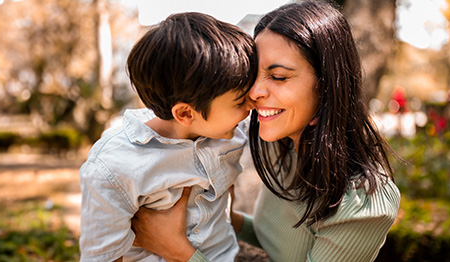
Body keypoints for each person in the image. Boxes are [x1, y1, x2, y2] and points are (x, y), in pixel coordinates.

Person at [130, 1, 400, 261]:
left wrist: (177, 251)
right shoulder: (280, 144)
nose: (254, 92)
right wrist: (218, 217)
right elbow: (278, 241)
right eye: (252, 74)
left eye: (279, 77)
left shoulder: (364, 202)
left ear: (327, 86)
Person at [78, 12, 257, 262]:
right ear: (185, 113)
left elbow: (224, 214)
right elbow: (103, 257)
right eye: (240, 100)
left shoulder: (228, 133)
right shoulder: (116, 167)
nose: (251, 104)